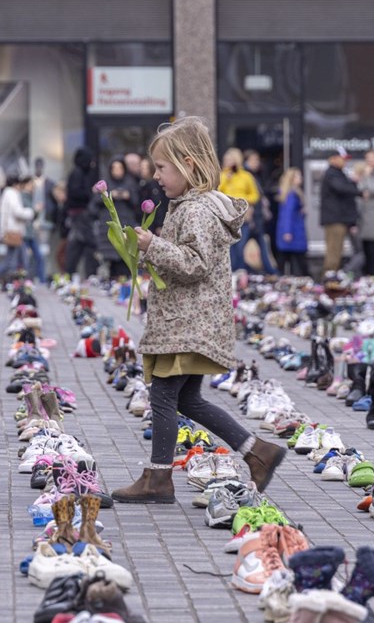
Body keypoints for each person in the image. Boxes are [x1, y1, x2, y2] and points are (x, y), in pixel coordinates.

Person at [111, 116, 285, 504]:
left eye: (162, 167)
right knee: (187, 399)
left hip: (186, 323)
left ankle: (158, 479)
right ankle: (258, 451)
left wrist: (152, 247)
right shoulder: (188, 206)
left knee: (163, 395)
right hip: (191, 321)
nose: (156, 175)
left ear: (188, 164)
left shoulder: (196, 210)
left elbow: (194, 263)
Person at [94, 157, 139, 279]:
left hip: (125, 223)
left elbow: (137, 202)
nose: (117, 171)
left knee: (125, 257)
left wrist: (127, 196)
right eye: (114, 168)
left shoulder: (130, 183)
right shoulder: (106, 182)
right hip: (108, 226)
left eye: (119, 168)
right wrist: (109, 195)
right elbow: (95, 202)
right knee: (111, 259)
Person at [320, 148, 361, 274]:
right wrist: (358, 191)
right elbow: (341, 188)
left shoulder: (339, 173)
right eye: (342, 158)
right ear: (333, 159)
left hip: (340, 219)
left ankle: (332, 279)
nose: (344, 162)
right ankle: (328, 279)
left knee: (337, 252)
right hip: (335, 220)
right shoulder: (332, 174)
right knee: (333, 252)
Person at [219, 147, 260, 272]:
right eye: (226, 159)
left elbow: (255, 195)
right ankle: (230, 272)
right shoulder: (221, 176)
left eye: (230, 159)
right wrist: (227, 179)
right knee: (229, 247)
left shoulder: (246, 176)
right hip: (227, 217)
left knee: (241, 246)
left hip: (243, 216)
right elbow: (217, 192)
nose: (227, 162)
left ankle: (241, 272)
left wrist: (242, 200)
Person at [63, 147, 99, 277]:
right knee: (89, 243)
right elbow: (75, 192)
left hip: (78, 215)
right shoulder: (78, 174)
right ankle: (89, 273)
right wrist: (90, 193)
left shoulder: (79, 173)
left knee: (77, 245)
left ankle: (70, 272)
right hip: (80, 215)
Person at [243, 150, 278, 275]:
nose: (257, 163)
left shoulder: (255, 175)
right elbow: (254, 197)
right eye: (254, 160)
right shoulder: (247, 175)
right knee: (240, 249)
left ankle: (269, 272)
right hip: (250, 218)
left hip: (255, 218)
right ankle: (270, 272)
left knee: (262, 247)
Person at [0, 175, 36, 279]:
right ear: (15, 184)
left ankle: (9, 279)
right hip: (14, 231)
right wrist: (31, 212)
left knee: (12, 259)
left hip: (11, 231)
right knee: (18, 260)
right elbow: (17, 212)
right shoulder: (12, 194)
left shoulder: (7, 193)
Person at [274, 167, 308, 276]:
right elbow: (288, 214)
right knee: (300, 261)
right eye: (298, 176)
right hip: (294, 232)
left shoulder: (288, 193)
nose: (301, 178)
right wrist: (287, 232)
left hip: (291, 231)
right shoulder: (292, 195)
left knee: (284, 260)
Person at [137, 156, 167, 234]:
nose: (142, 170)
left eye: (144, 168)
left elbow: (158, 204)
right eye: (141, 167)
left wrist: (159, 224)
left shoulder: (154, 185)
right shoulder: (141, 183)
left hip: (153, 223)